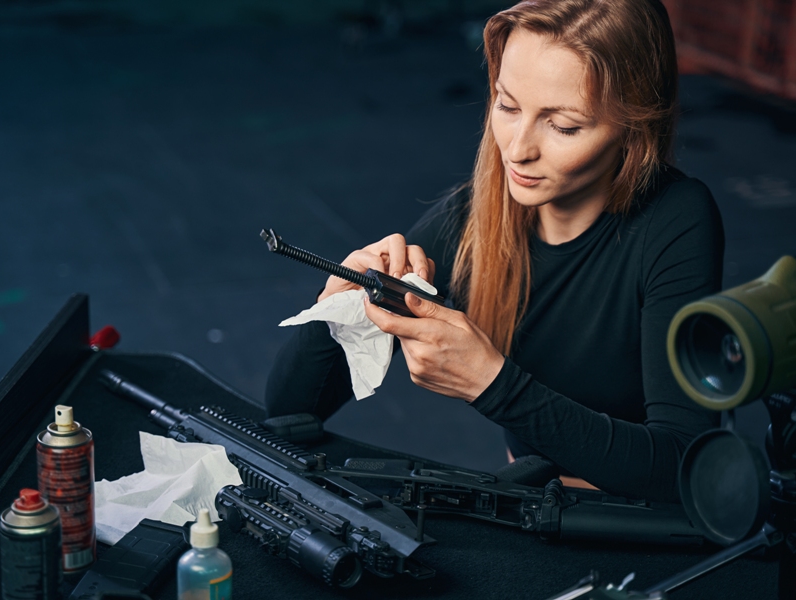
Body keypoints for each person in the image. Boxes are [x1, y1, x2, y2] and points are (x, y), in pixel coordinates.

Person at [264, 0, 724, 503]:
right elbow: (288, 415)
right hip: (530, 507)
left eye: (564, 125)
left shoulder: (677, 218)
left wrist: (492, 384)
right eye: (507, 106)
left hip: (642, 522)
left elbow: (682, 465)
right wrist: (342, 306)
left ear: (635, 125)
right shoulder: (475, 216)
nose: (517, 148)